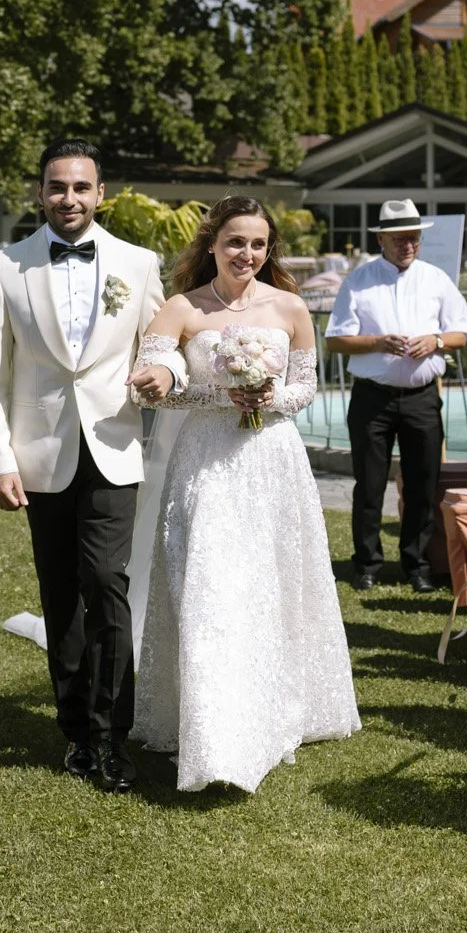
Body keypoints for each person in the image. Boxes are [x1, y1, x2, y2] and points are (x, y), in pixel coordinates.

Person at [124, 196, 360, 792]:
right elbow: (156, 387)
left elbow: (305, 386)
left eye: (257, 244)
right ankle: (211, 729)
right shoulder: (181, 308)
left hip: (272, 461)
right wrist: (209, 395)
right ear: (212, 245)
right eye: (235, 242)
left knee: (272, 583)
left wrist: (267, 399)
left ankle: (279, 707)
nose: (246, 254)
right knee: (204, 584)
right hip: (204, 461)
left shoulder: (290, 307)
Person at [0, 139, 166, 791]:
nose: (69, 198)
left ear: (100, 193)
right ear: (40, 193)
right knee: (62, 596)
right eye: (57, 187)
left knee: (107, 583)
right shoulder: (6, 266)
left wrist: (164, 370)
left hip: (114, 444)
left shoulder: (138, 264)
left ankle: (113, 735)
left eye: (81, 187)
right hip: (41, 456)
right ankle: (77, 731)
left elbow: (165, 346)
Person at [323, 200, 467, 593]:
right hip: (373, 397)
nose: (409, 245)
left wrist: (435, 340)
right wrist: (377, 342)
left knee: (424, 483)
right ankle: (367, 563)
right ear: (381, 239)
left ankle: (417, 563)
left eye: (415, 238)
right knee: (369, 484)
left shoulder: (436, 279)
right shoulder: (359, 279)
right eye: (401, 238)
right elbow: (335, 340)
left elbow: (461, 331)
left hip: (422, 396)